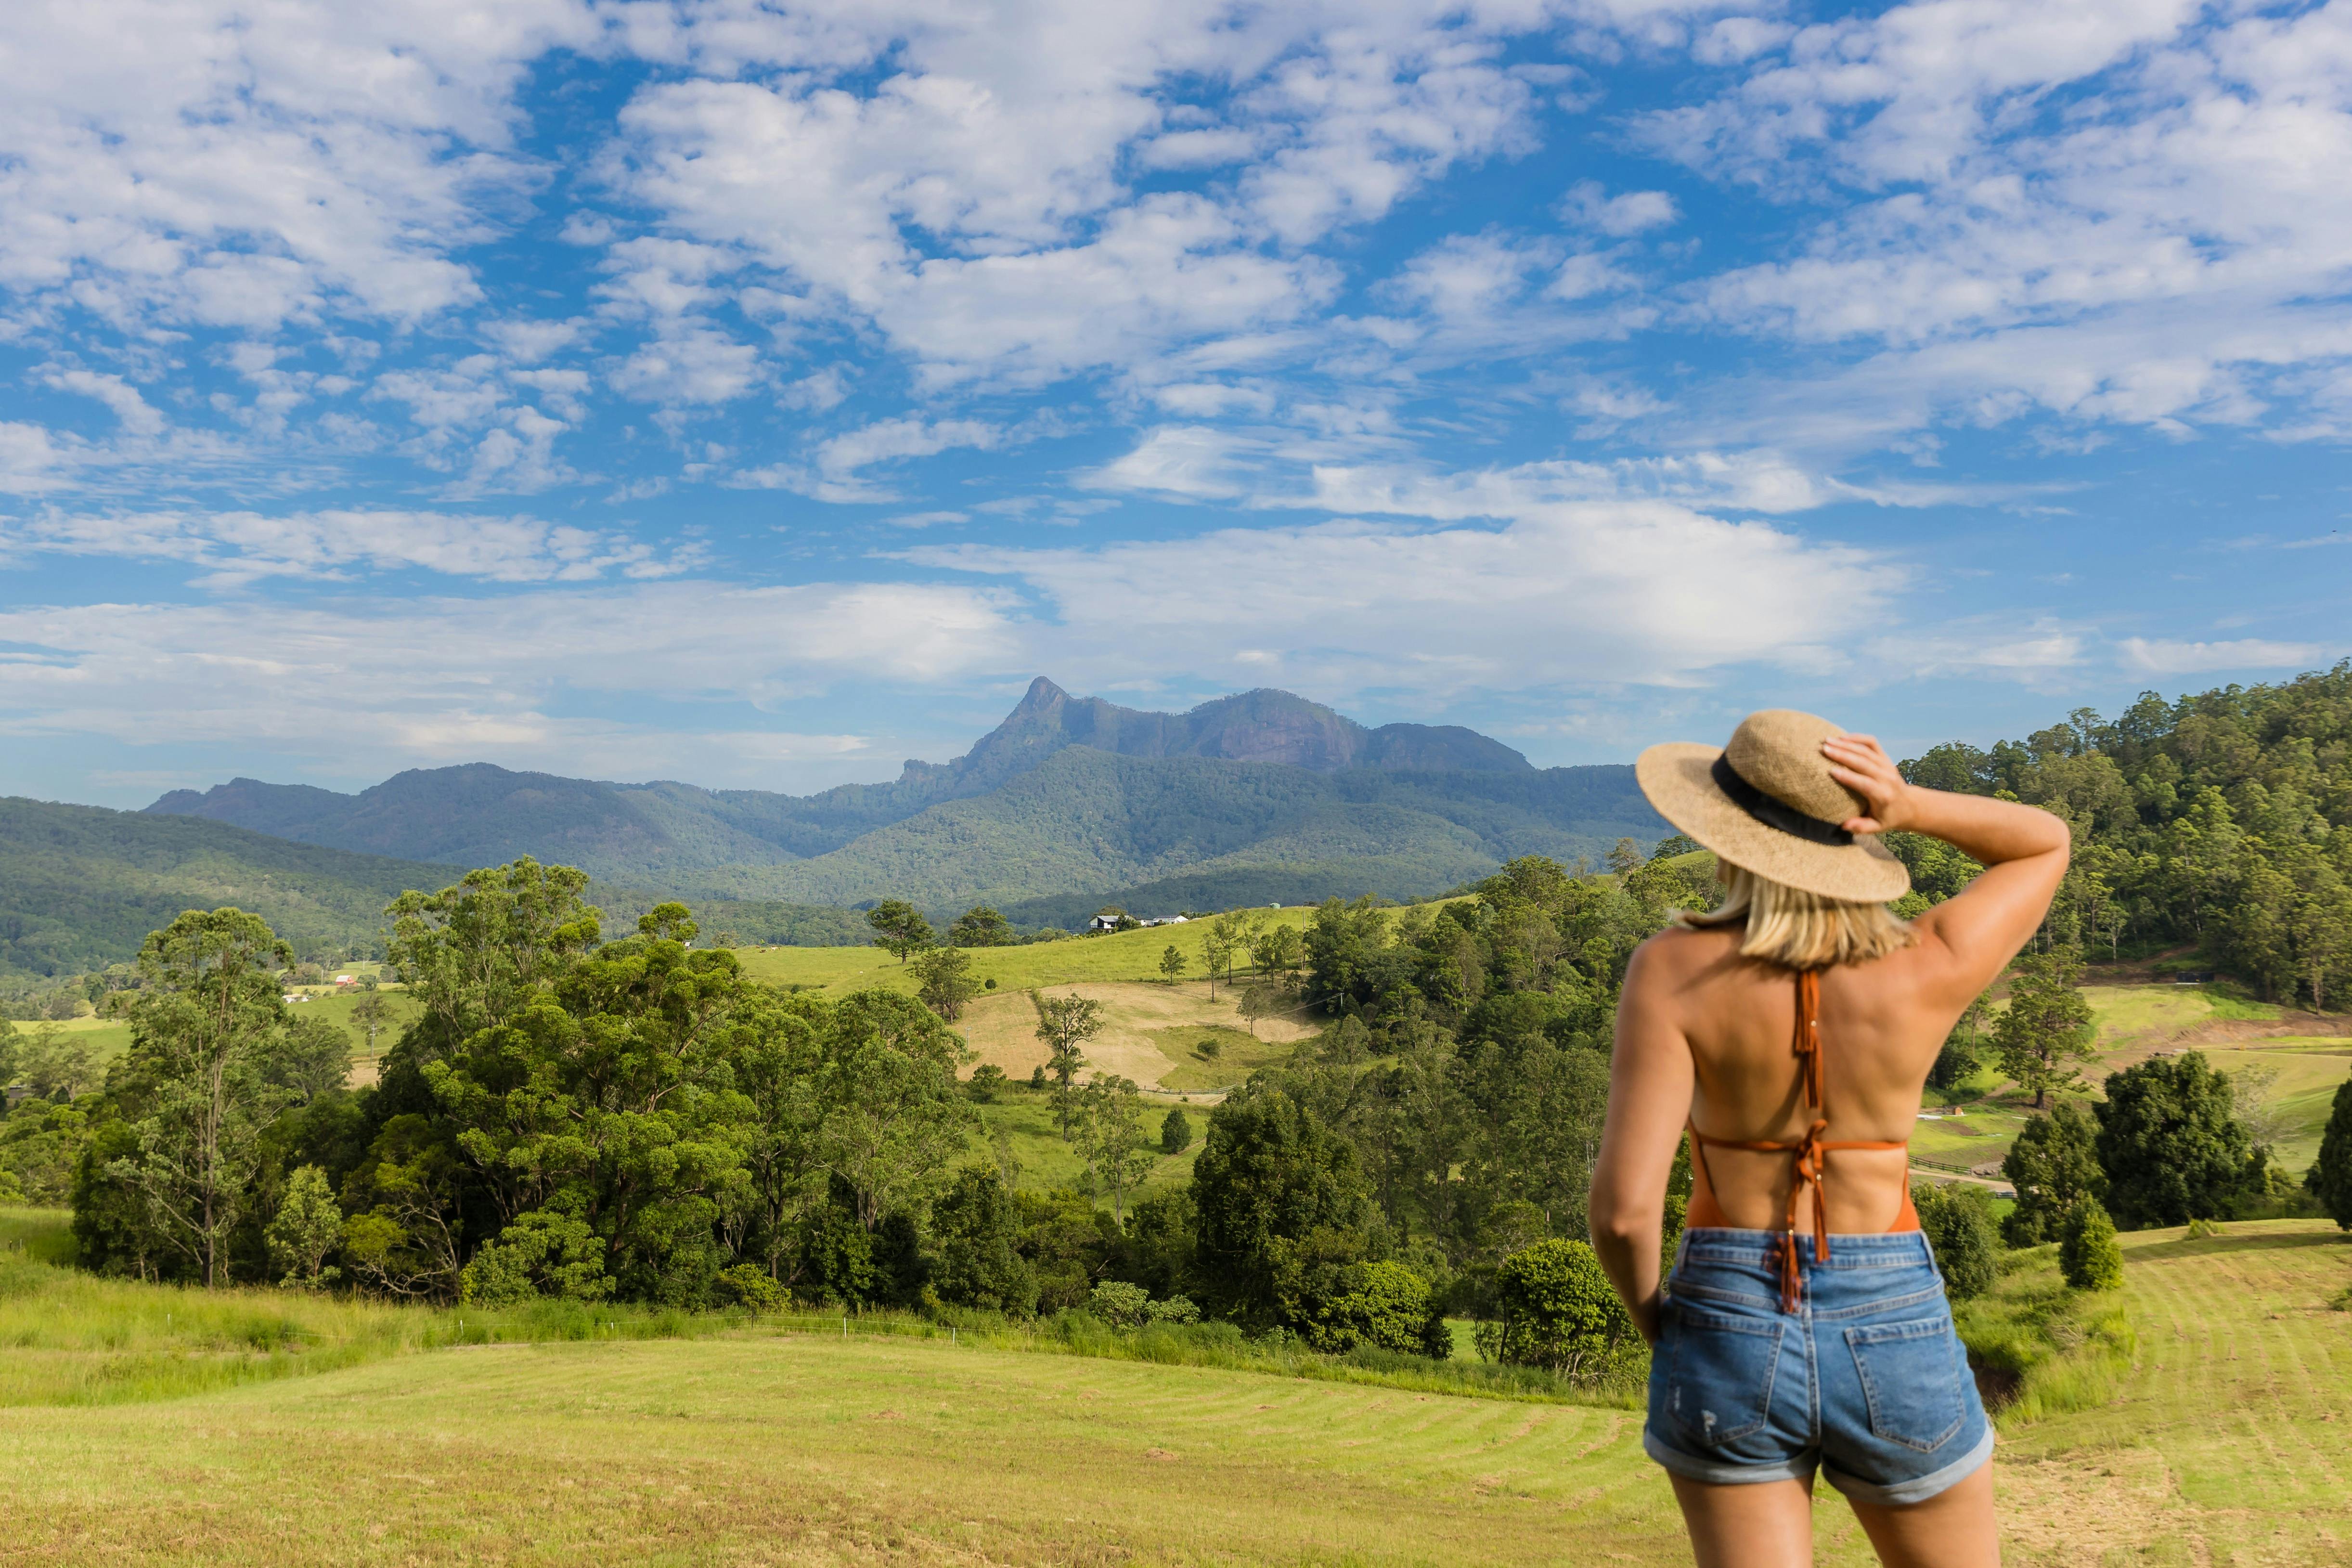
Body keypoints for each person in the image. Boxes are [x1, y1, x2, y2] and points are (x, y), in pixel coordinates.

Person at [1590, 710, 2068, 1568]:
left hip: (1725, 1312)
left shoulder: (1669, 968)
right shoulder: (1932, 957)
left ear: (1723, 836)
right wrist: (1909, 803)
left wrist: (1662, 1321)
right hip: (1892, 1310)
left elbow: (1624, 1213)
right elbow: (2042, 842)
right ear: (1852, 837)